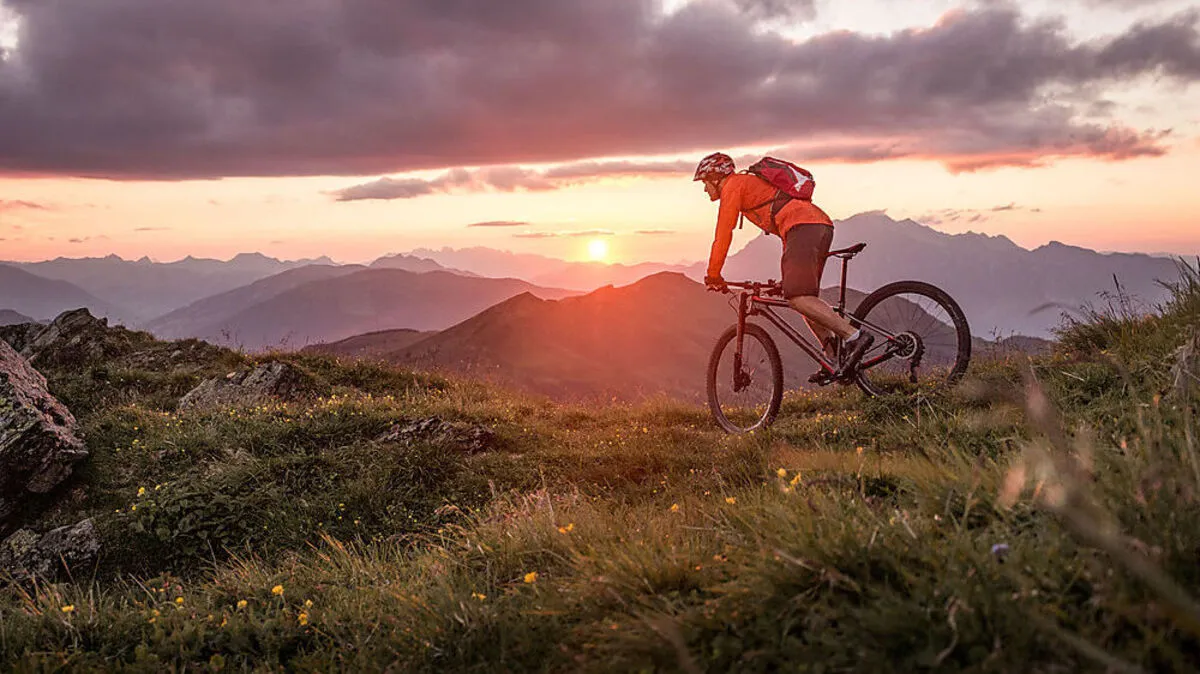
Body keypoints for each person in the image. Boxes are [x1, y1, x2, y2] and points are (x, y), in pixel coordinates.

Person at [695, 152, 873, 381]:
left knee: (798, 297)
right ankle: (837, 360)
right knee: (805, 301)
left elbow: (723, 232)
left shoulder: (733, 185)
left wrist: (713, 273)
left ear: (715, 177)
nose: (704, 190)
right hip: (817, 226)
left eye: (705, 183)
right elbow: (786, 226)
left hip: (804, 228)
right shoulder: (749, 184)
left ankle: (853, 336)